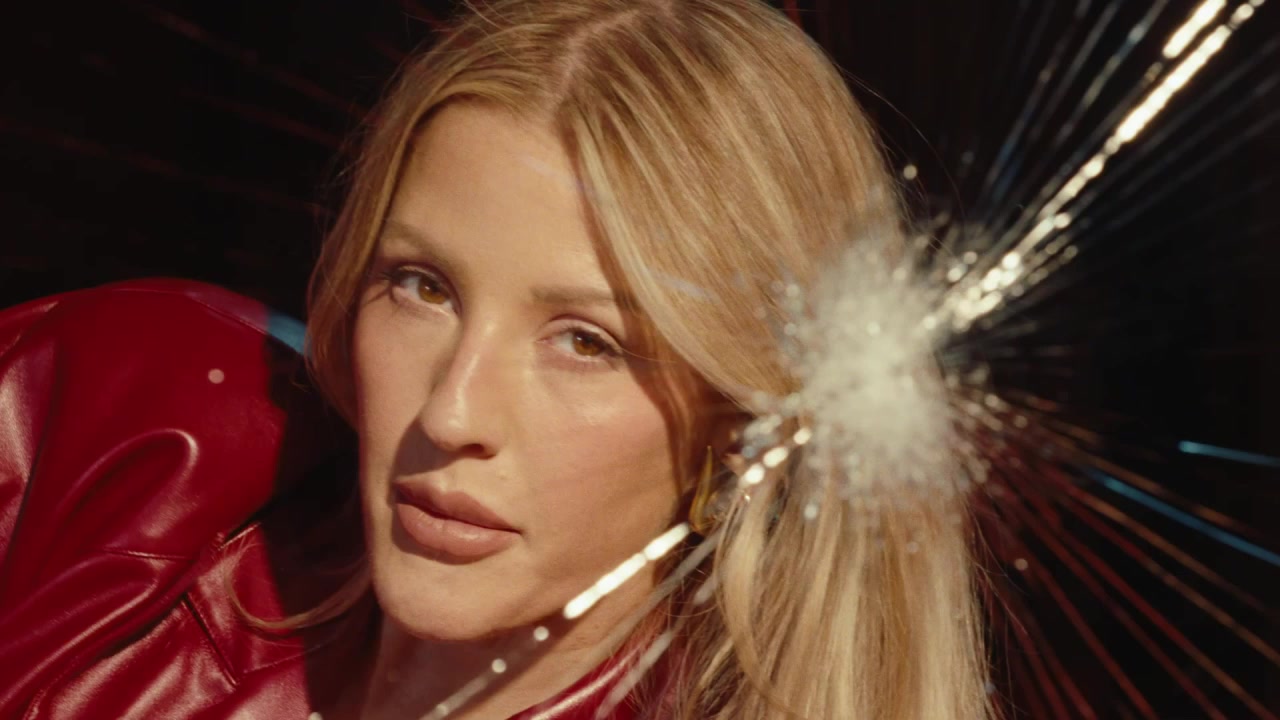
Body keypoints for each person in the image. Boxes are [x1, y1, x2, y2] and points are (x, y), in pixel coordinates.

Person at [0, 0, 992, 718]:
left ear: (747, 419)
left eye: (586, 342)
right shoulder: (114, 425)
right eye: (422, 286)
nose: (450, 413)